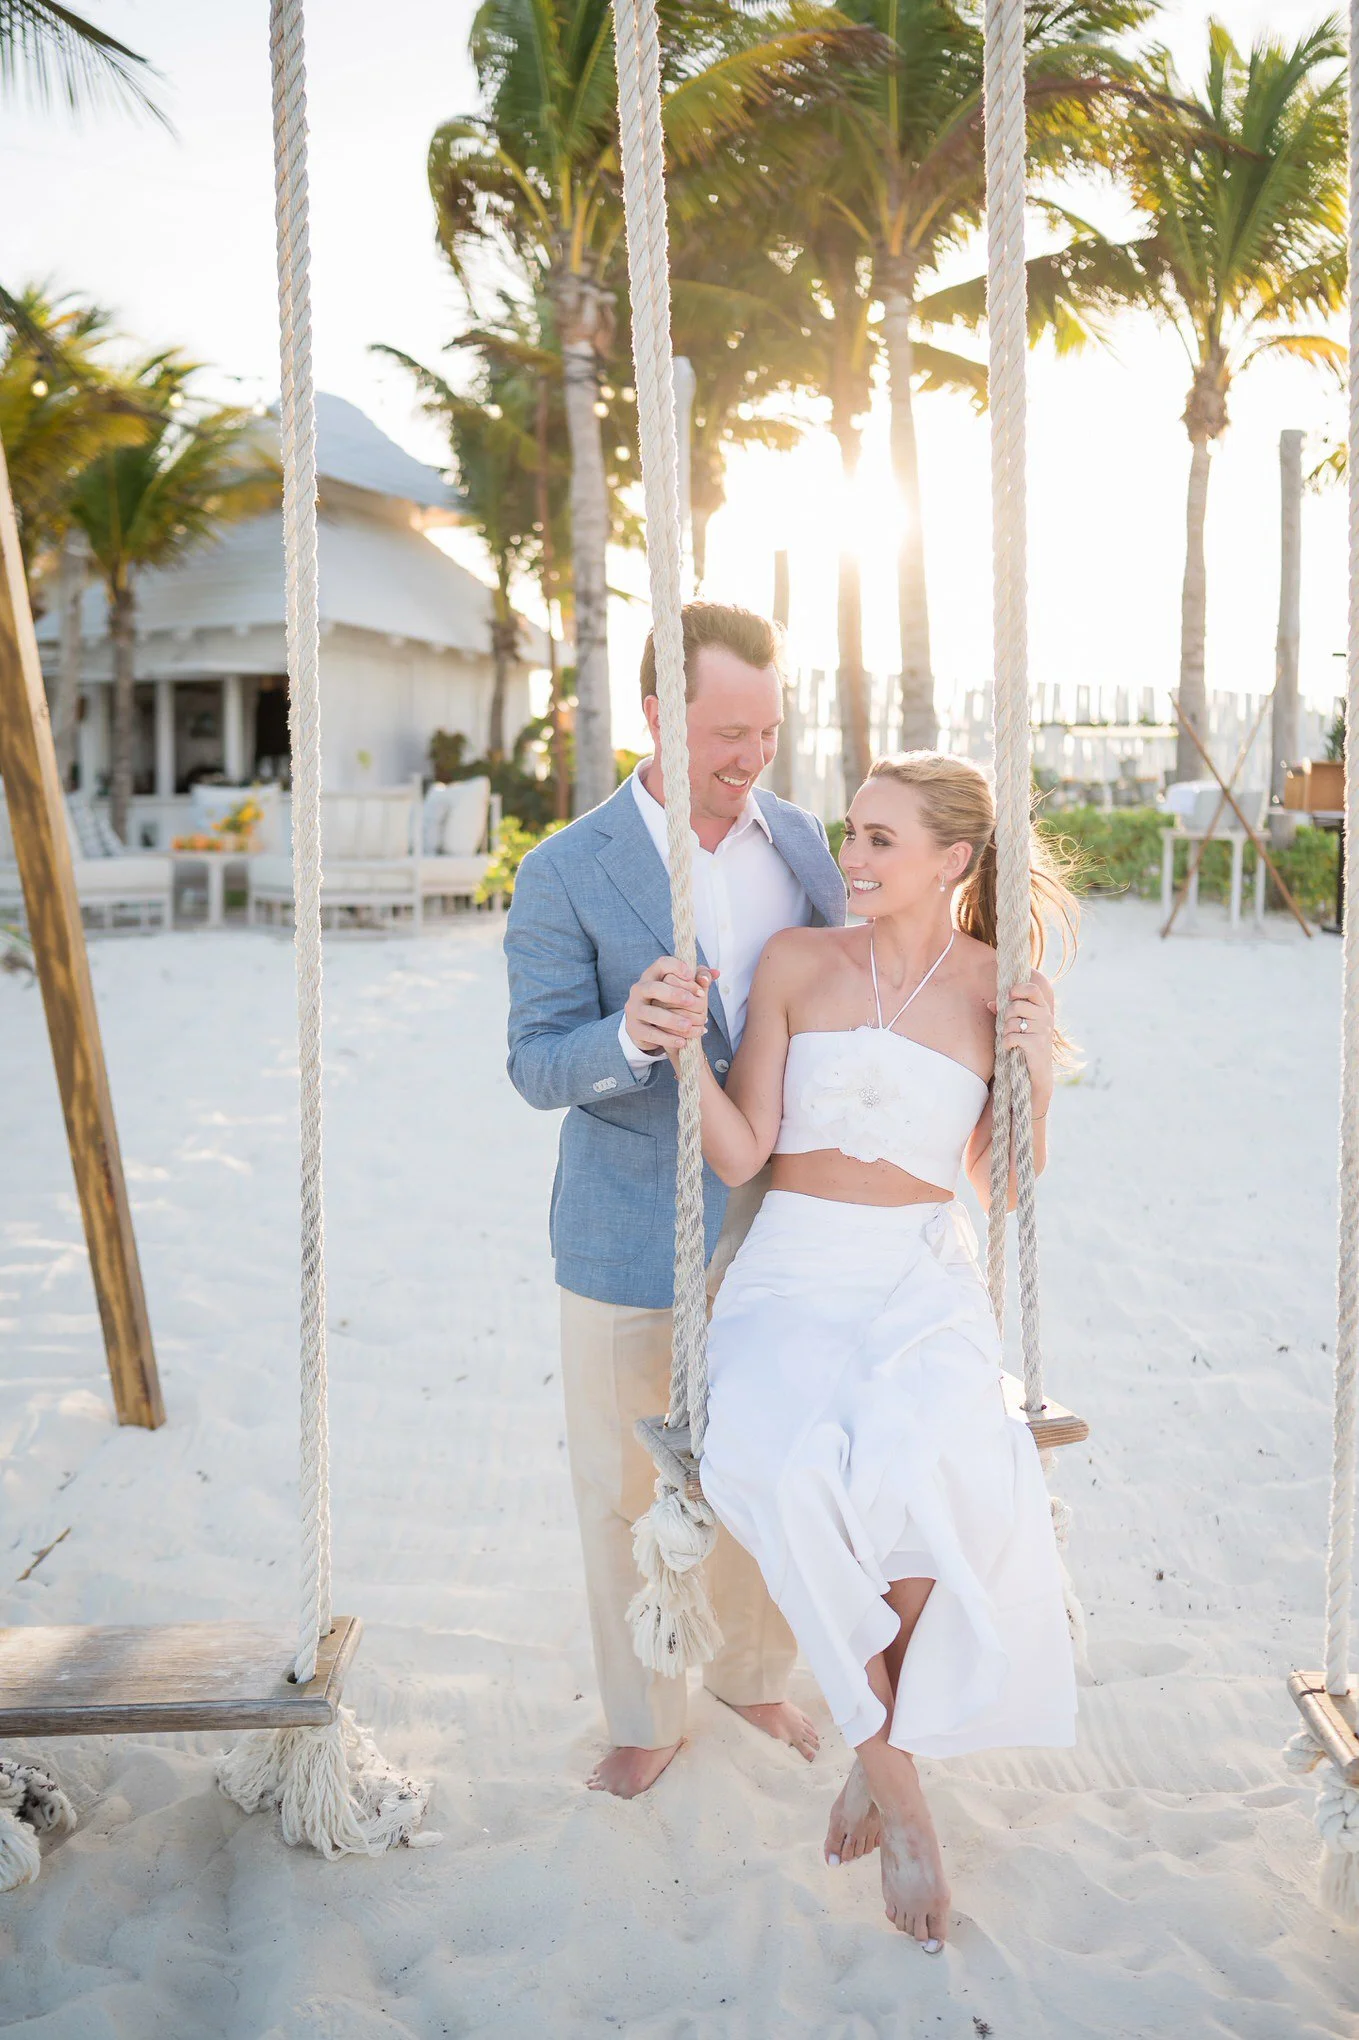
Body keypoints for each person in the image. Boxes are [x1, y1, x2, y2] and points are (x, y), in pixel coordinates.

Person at [658, 751, 1079, 1946]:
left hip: (919, 1275)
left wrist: (1036, 1070)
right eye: (850, 832)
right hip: (791, 1268)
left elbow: (1001, 1185)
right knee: (784, 1474)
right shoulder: (800, 964)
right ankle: (901, 1789)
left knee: (938, 1458)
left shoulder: (998, 986)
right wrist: (686, 1051)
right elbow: (742, 1155)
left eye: (881, 840)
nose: (850, 857)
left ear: (954, 860)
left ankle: (874, 1748)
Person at [504, 602, 847, 1798]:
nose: (750, 758)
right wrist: (628, 1035)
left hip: (778, 1227)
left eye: (767, 729)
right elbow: (536, 1062)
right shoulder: (565, 870)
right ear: (658, 714)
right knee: (622, 1485)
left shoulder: (804, 845)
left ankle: (753, 1674)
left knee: (764, 1468)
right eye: (725, 731)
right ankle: (647, 1716)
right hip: (623, 1227)